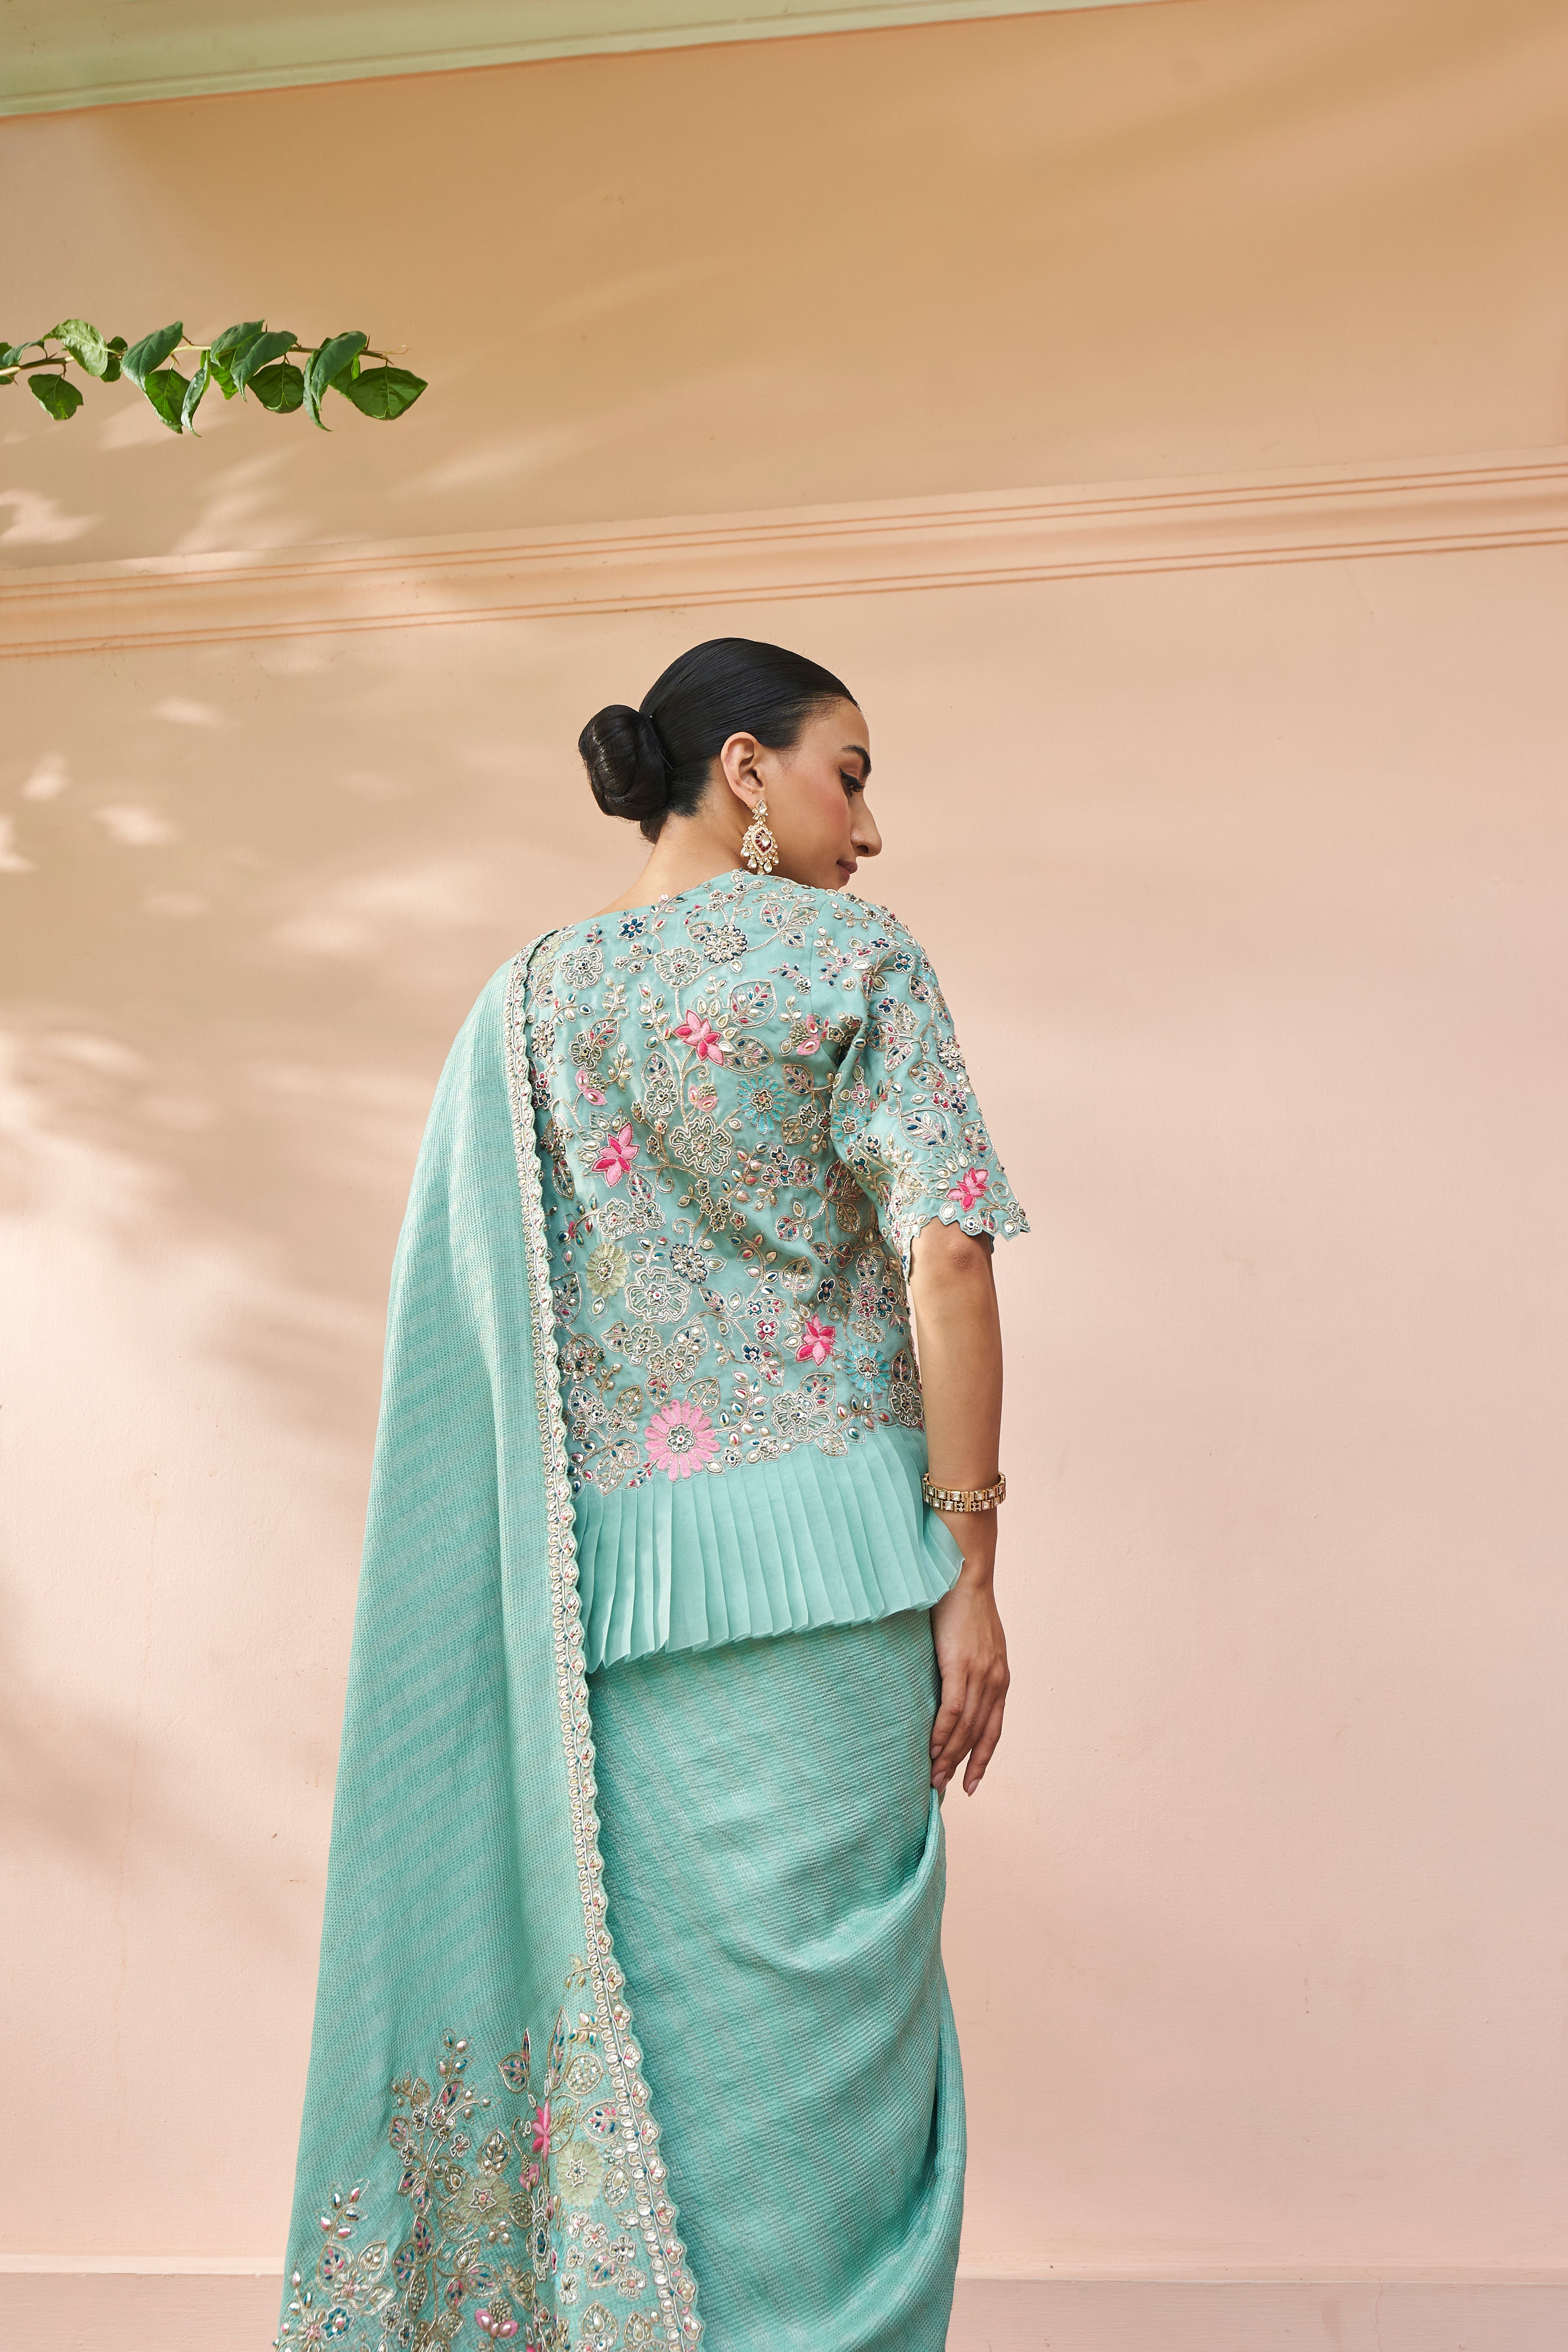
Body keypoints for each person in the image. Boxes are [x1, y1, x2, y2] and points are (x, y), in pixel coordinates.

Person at [275, 638, 1029, 2352]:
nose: (870, 830)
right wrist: (973, 1559)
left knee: (668, 2061)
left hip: (610, 1607)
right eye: (851, 773)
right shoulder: (855, 959)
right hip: (841, 1579)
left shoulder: (527, 1002)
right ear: (746, 769)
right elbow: (950, 1257)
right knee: (831, 2068)